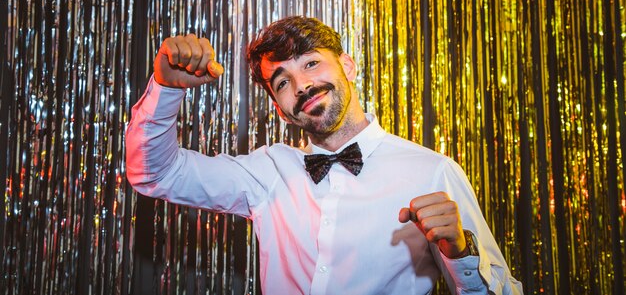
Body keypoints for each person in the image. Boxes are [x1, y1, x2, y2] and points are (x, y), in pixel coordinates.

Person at [126, 16, 523, 294]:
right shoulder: (268, 172)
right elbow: (155, 174)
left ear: (347, 66)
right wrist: (166, 88)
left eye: (311, 63)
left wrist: (461, 251)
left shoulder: (433, 172)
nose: (302, 85)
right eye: (283, 81)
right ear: (281, 108)